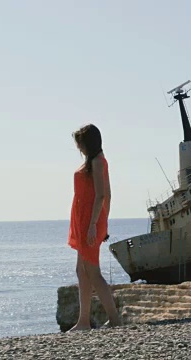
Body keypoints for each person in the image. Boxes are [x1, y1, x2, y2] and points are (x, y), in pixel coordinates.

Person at [67, 124, 121, 331]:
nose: (78, 147)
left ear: (87, 142)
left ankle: (115, 318)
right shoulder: (92, 163)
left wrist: (95, 226)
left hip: (90, 221)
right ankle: (84, 321)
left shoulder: (98, 162)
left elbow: (103, 195)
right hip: (84, 221)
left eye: (80, 142)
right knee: (81, 270)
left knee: (91, 270)